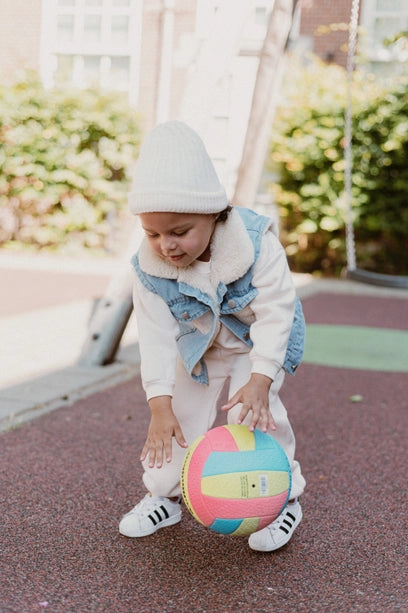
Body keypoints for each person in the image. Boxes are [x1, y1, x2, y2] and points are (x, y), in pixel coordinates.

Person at [119, 120, 306, 552]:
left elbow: (277, 313)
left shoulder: (256, 244)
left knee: (252, 417)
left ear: (214, 214)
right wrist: (159, 404)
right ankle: (163, 497)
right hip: (198, 349)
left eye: (179, 232)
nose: (166, 245)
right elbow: (156, 338)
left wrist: (260, 380)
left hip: (252, 346)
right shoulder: (150, 268)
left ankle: (284, 501)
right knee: (174, 425)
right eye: (153, 233)